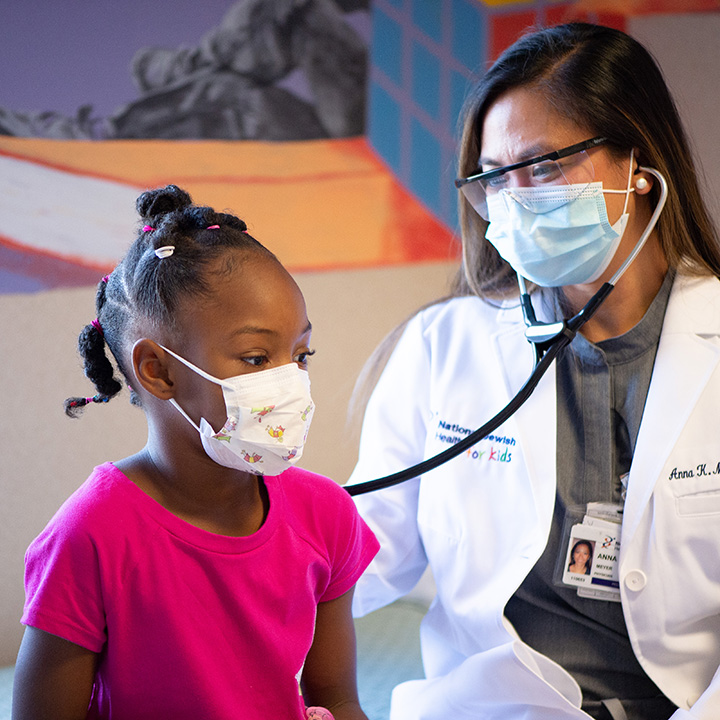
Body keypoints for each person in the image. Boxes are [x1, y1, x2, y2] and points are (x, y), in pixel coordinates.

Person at [348, 22, 720, 720]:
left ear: (638, 162)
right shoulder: (444, 345)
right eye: (495, 177)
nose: (513, 200)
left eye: (544, 167)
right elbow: (364, 554)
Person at [12, 185, 379, 720]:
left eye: (301, 354)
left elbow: (338, 699)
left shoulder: (326, 517)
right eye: (256, 358)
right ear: (158, 371)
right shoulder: (90, 536)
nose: (290, 381)